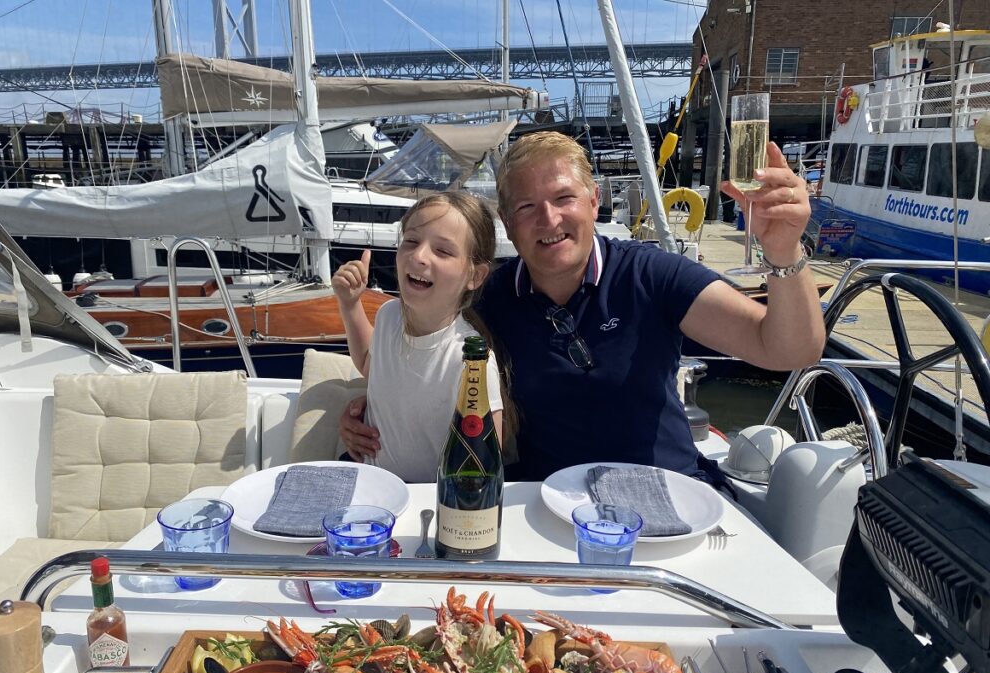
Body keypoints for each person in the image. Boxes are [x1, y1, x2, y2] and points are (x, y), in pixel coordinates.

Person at [341, 133, 825, 486]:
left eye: (564, 198)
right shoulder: (490, 297)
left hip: (666, 490)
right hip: (545, 504)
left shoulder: (652, 277)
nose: (548, 219)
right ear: (509, 224)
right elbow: (415, 347)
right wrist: (365, 411)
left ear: (595, 202)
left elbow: (787, 349)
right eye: (527, 208)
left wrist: (783, 251)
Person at [332, 191, 503, 482]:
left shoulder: (472, 362)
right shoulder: (388, 316)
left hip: (426, 498)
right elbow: (370, 366)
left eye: (443, 251)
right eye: (411, 241)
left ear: (475, 276)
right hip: (370, 480)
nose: (419, 256)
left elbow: (486, 464)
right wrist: (350, 305)